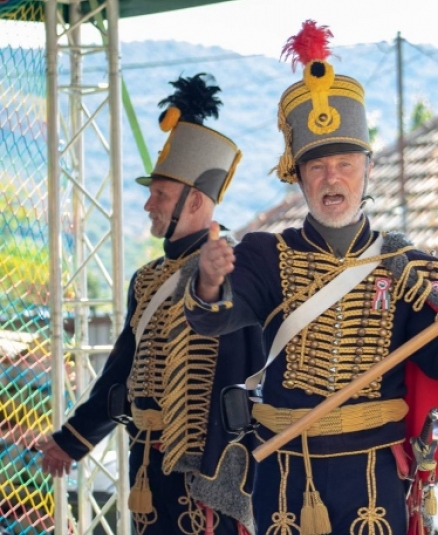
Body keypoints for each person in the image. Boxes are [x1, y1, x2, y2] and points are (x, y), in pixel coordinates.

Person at [184, 21, 438, 535]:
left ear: (367, 169)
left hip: (376, 477)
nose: (332, 178)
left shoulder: (414, 269)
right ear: (298, 176)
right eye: (318, 167)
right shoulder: (263, 255)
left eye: (345, 163)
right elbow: (216, 318)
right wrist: (210, 281)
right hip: (283, 473)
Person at [37, 73, 264, 535]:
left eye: (159, 193)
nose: (148, 205)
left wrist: (211, 283)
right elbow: (121, 369)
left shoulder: (239, 270)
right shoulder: (147, 280)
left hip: (208, 473)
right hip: (146, 463)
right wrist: (73, 441)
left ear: (196, 200)